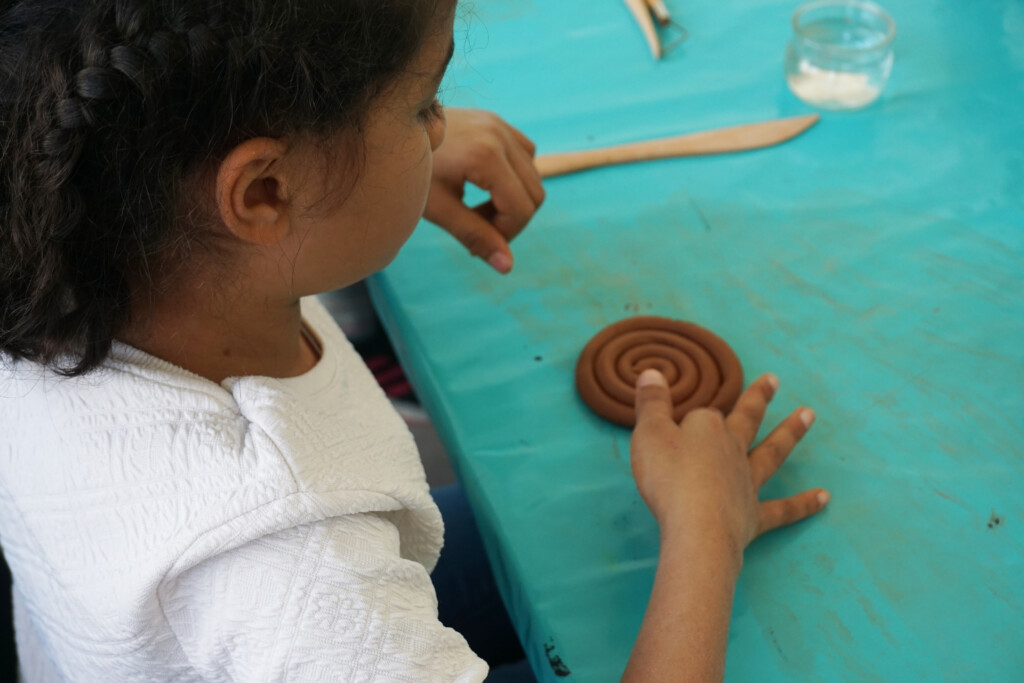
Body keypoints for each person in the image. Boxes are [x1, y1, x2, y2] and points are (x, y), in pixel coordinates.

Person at [0, 0, 828, 680]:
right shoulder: (297, 576)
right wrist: (704, 542)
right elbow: (320, 603)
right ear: (266, 191)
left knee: (563, 521)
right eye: (423, 103)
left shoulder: (79, 254)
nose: (439, 128)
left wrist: (367, 165)